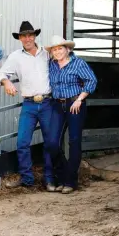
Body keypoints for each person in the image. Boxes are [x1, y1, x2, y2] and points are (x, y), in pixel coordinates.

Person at [0, 21, 60, 190]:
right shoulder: (16, 56)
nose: (27, 38)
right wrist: (6, 81)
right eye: (24, 35)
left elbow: (64, 59)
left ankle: (49, 178)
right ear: (20, 38)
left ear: (35, 36)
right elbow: (0, 73)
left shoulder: (47, 53)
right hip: (29, 105)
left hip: (47, 102)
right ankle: (27, 179)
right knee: (22, 142)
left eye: (30, 35)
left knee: (50, 142)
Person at [45, 35, 97, 194]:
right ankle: (62, 176)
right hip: (56, 104)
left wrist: (80, 99)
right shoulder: (51, 64)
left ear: (67, 49)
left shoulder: (78, 63)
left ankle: (70, 181)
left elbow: (91, 81)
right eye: (54, 49)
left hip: (75, 104)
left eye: (60, 48)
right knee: (52, 142)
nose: (58, 52)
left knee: (74, 141)